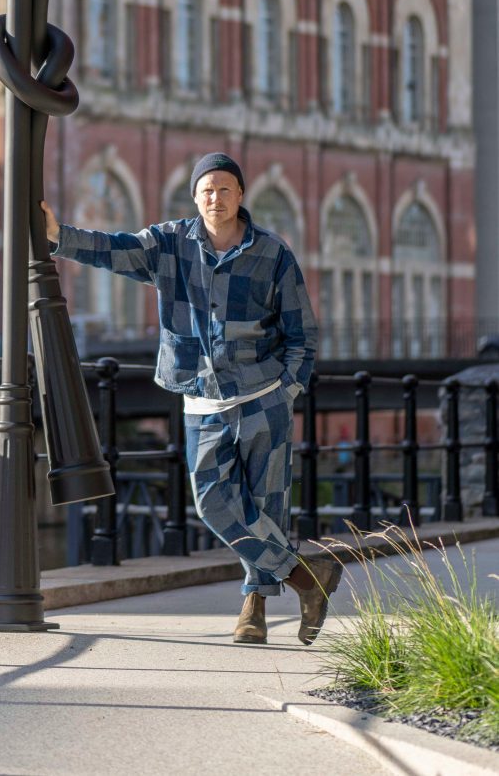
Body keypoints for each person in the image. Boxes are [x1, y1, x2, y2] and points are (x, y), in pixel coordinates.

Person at [42, 151, 342, 646]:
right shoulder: (169, 244)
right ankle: (308, 580)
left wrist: (290, 386)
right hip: (201, 396)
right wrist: (58, 236)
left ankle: (255, 607)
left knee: (265, 504)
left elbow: (301, 332)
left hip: (263, 395)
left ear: (241, 195)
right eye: (206, 189)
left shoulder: (272, 253)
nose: (215, 198)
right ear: (194, 196)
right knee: (213, 502)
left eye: (225, 189)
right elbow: (112, 249)